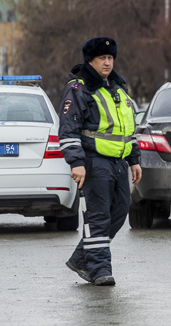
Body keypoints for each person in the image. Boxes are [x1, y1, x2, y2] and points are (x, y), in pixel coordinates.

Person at [59, 37, 142, 286]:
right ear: (90, 61)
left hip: (119, 163)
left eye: (110, 58)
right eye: (102, 59)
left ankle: (81, 258)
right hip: (94, 162)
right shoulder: (78, 88)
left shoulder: (117, 87)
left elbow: (128, 129)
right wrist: (76, 163)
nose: (107, 63)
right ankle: (99, 269)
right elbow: (68, 129)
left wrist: (134, 159)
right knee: (97, 217)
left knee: (119, 211)